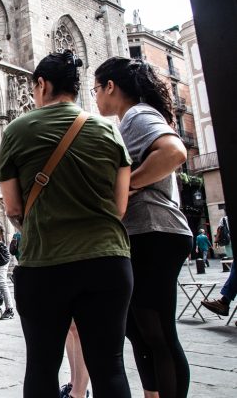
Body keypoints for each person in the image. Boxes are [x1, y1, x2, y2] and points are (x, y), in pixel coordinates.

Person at [0, 50, 133, 397]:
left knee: (41, 366)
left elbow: (12, 207)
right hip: (108, 261)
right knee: (110, 367)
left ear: (41, 85)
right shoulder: (109, 131)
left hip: (44, 264)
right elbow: (119, 206)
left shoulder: (17, 130)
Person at [95, 56, 193, 398]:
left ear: (110, 86)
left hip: (155, 232)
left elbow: (174, 151)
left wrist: (128, 186)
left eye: (96, 88)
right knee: (138, 330)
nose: (95, 96)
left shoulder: (137, 114)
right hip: (147, 234)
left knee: (158, 333)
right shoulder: (130, 119)